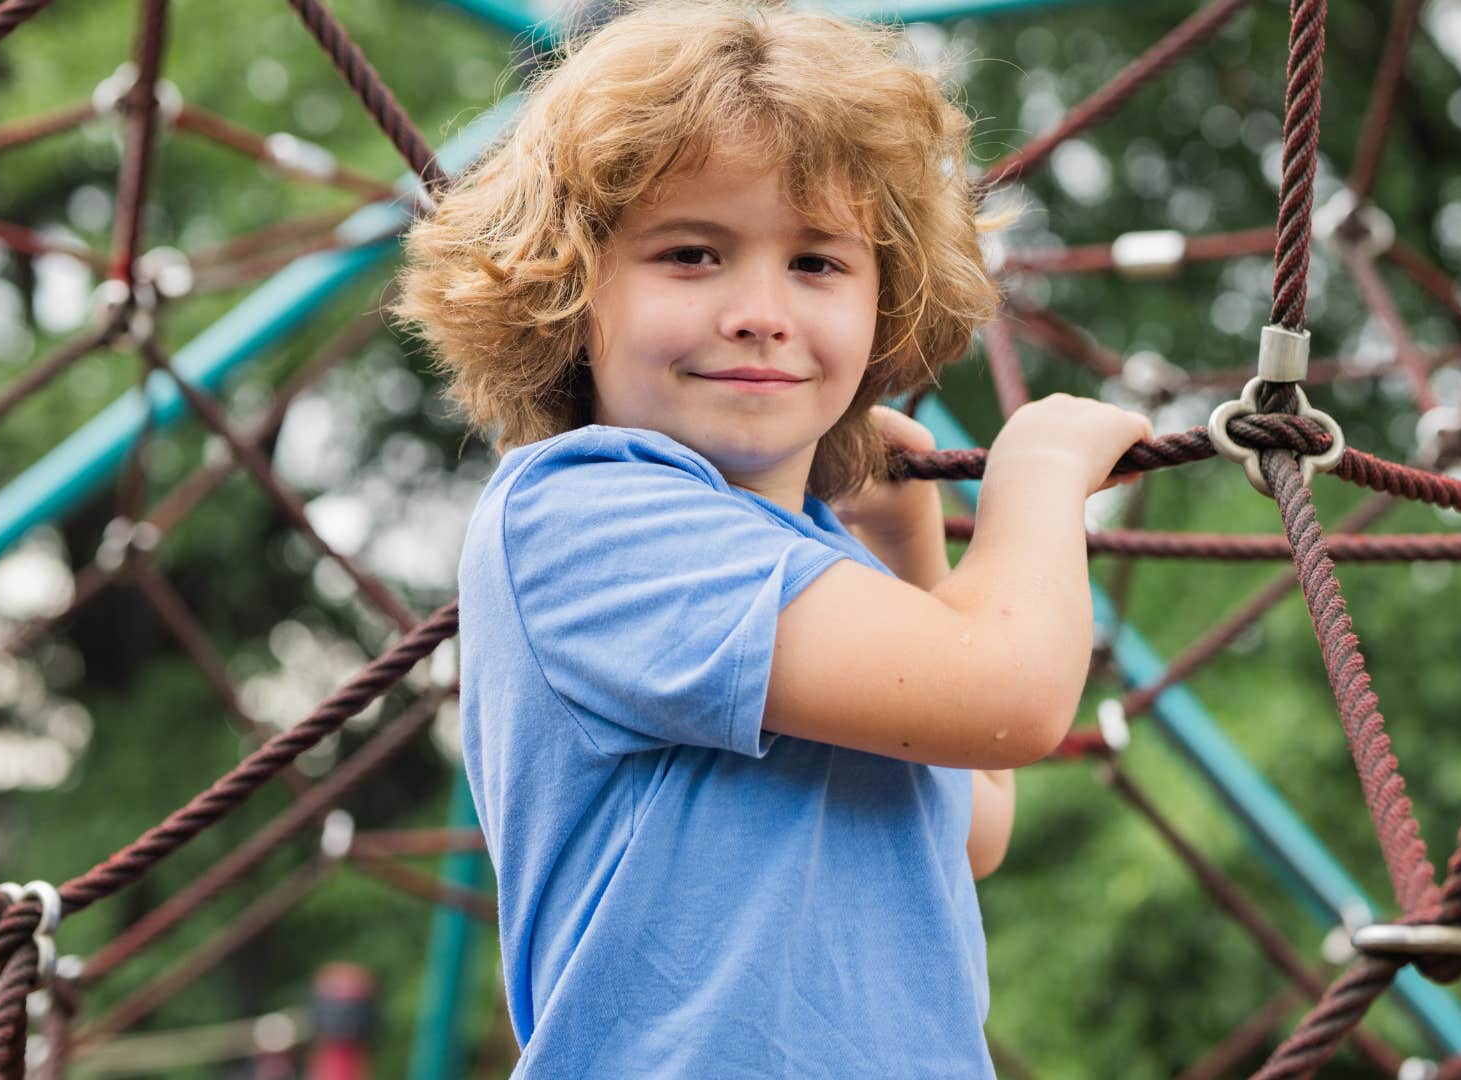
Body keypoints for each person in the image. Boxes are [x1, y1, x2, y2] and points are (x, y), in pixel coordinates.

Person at [391, 1, 1151, 1073]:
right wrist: (1038, 478)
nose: (760, 309)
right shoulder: (586, 513)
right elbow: (1008, 698)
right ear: (570, 290)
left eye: (818, 263)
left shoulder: (802, 551)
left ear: (888, 297)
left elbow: (971, 824)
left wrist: (901, 545)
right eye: (693, 254)